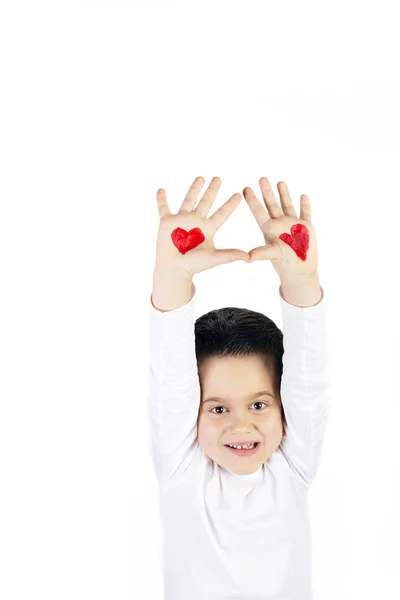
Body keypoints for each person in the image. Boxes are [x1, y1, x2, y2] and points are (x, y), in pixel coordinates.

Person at [148, 175, 332, 599]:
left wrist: (301, 279)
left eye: (259, 404)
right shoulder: (181, 467)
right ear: (192, 410)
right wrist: (172, 274)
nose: (241, 426)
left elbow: (309, 379)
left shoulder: (293, 464)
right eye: (217, 409)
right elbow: (171, 378)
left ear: (284, 407)